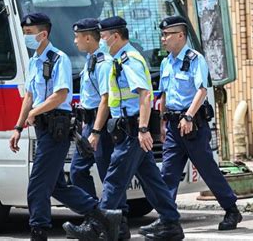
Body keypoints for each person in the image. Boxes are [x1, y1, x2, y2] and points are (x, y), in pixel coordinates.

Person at [62, 16, 184, 241]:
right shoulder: (119, 60)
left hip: (132, 130)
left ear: (116, 36)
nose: (103, 41)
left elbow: (145, 94)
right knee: (151, 179)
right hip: (125, 128)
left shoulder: (130, 60)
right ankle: (170, 223)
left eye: (105, 37)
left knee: (114, 178)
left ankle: (99, 225)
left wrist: (143, 129)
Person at [8, 13, 121, 241]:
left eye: (29, 33)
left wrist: (34, 112)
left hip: (56, 128)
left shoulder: (59, 59)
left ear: (43, 34)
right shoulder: (33, 61)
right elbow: (29, 96)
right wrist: (18, 127)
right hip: (41, 128)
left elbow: (61, 95)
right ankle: (102, 215)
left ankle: (38, 230)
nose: (26, 37)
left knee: (38, 183)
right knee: (58, 186)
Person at [139, 15, 242, 237]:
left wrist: (188, 116)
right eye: (163, 34)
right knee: (168, 173)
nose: (163, 38)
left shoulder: (196, 60)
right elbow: (164, 93)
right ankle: (167, 219)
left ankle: (231, 209)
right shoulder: (166, 62)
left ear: (180, 36)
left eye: (167, 34)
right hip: (174, 127)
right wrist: (164, 121)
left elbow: (202, 90)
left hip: (193, 125)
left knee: (207, 170)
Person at [70, 18, 131, 239]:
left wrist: (95, 131)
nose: (75, 41)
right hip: (89, 123)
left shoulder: (104, 63)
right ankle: (96, 216)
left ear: (88, 37)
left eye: (77, 36)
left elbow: (106, 99)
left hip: (101, 125)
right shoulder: (90, 60)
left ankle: (119, 224)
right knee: (77, 171)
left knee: (108, 175)